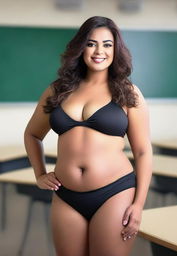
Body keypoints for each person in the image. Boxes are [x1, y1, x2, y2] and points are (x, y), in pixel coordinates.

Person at [24, 16, 153, 256]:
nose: (99, 51)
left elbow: (143, 151)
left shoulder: (127, 93)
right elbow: (32, 134)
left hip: (114, 193)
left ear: (116, 49)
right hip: (66, 195)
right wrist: (40, 174)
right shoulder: (59, 90)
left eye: (107, 44)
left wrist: (138, 204)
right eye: (91, 43)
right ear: (81, 47)